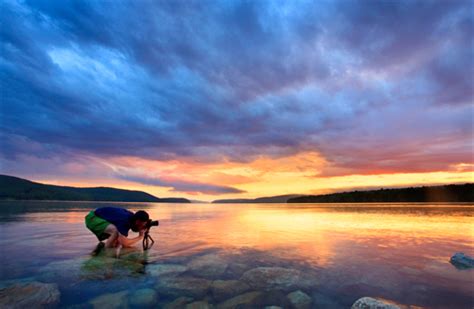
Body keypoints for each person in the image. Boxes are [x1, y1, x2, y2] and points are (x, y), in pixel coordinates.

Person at [85, 207, 150, 253]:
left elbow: (134, 229)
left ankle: (102, 248)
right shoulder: (124, 220)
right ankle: (106, 254)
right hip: (92, 218)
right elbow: (124, 243)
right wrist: (140, 237)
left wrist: (142, 228)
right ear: (137, 222)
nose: (142, 227)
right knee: (115, 232)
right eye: (142, 225)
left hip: (100, 218)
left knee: (117, 242)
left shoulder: (132, 218)